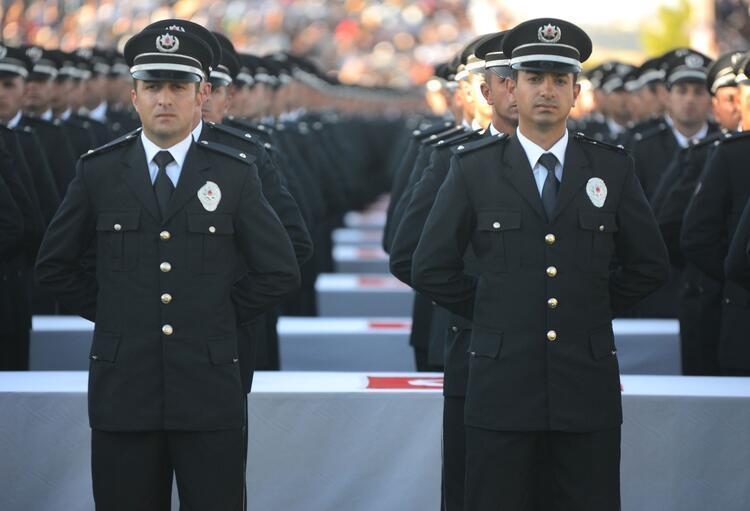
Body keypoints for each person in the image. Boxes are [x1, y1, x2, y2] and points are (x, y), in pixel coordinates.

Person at [35, 26, 300, 510]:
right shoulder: (98, 171)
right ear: (132, 95)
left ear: (203, 94)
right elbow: (54, 267)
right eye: (153, 87)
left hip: (207, 387)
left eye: (178, 87)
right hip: (124, 389)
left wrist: (215, 314)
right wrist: (119, 312)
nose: (165, 100)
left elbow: (280, 269)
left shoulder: (234, 172)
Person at [411, 18, 669, 510]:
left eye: (559, 80)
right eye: (534, 78)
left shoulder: (611, 168)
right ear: (512, 86)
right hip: (501, 385)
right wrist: (496, 309)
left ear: (576, 92)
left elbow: (650, 265)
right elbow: (430, 266)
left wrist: (587, 305)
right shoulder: (474, 168)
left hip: (585, 388)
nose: (546, 91)